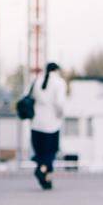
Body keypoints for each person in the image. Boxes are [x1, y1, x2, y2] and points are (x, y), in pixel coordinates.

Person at [30, 62, 66, 190]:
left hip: (36, 124)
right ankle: (42, 171)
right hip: (51, 125)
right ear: (57, 70)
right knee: (50, 153)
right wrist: (60, 115)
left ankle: (46, 180)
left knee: (39, 153)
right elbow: (59, 103)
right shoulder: (59, 82)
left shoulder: (37, 81)